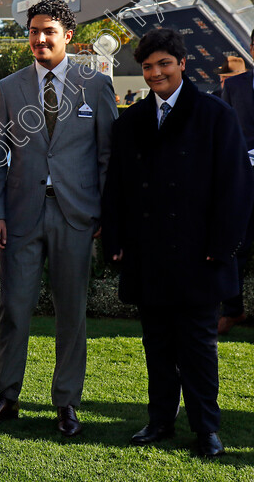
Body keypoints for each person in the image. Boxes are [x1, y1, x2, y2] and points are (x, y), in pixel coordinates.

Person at [102, 28, 254, 458]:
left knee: (199, 348)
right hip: (148, 254)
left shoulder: (214, 114)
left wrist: (222, 246)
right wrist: (113, 239)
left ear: (182, 64)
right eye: (148, 66)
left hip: (200, 255)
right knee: (157, 345)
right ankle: (160, 421)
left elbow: (236, 186)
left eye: (164, 64)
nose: (155, 73)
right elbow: (116, 187)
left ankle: (207, 428)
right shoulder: (129, 121)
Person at [0, 0, 117, 437]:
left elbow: (108, 157)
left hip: (76, 216)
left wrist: (104, 212)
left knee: (71, 313)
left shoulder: (96, 85)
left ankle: (67, 402)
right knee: (14, 309)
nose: (39, 38)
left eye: (48, 31)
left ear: (67, 36)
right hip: (20, 217)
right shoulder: (10, 88)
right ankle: (6, 397)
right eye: (33, 31)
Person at [219, 30, 254, 335]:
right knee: (237, 245)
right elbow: (226, 131)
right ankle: (233, 311)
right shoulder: (234, 85)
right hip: (243, 177)